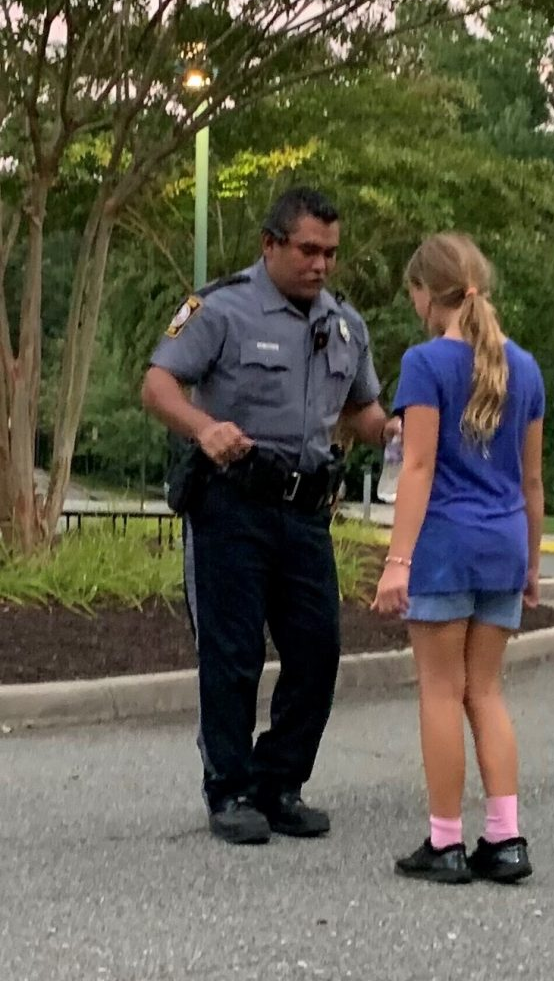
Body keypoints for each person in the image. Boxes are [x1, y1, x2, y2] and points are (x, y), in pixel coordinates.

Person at [142, 187, 399, 845]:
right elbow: (158, 384)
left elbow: (362, 413)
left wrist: (400, 431)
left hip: (306, 509)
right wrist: (203, 428)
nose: (321, 265)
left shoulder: (346, 324)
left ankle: (279, 782)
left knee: (318, 651)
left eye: (331, 254)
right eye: (309, 250)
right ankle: (228, 789)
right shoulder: (221, 309)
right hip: (233, 502)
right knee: (233, 655)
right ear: (271, 244)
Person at [371, 232, 545, 885]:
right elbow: (532, 482)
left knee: (441, 692)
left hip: (446, 545)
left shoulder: (426, 363)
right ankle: (505, 838)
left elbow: (416, 468)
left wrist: (397, 562)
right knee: (488, 692)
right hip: (504, 545)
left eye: (413, 293)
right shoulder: (524, 368)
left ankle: (444, 843)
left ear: (424, 293)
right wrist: (532, 562)